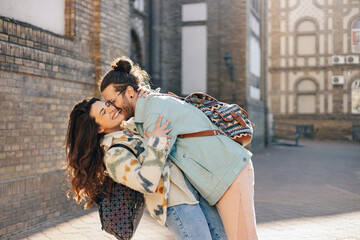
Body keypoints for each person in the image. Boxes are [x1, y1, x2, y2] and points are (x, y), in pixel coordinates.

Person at [100, 56, 258, 240]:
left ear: (129, 91)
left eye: (112, 101)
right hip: (221, 175)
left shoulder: (153, 114)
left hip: (229, 173)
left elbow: (156, 163)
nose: (112, 108)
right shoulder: (150, 105)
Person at [65, 100, 227, 238]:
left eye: (107, 104)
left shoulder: (130, 129)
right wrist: (157, 142)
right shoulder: (114, 155)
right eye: (103, 112)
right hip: (175, 202)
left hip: (192, 190)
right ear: (98, 128)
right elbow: (146, 183)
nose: (111, 109)